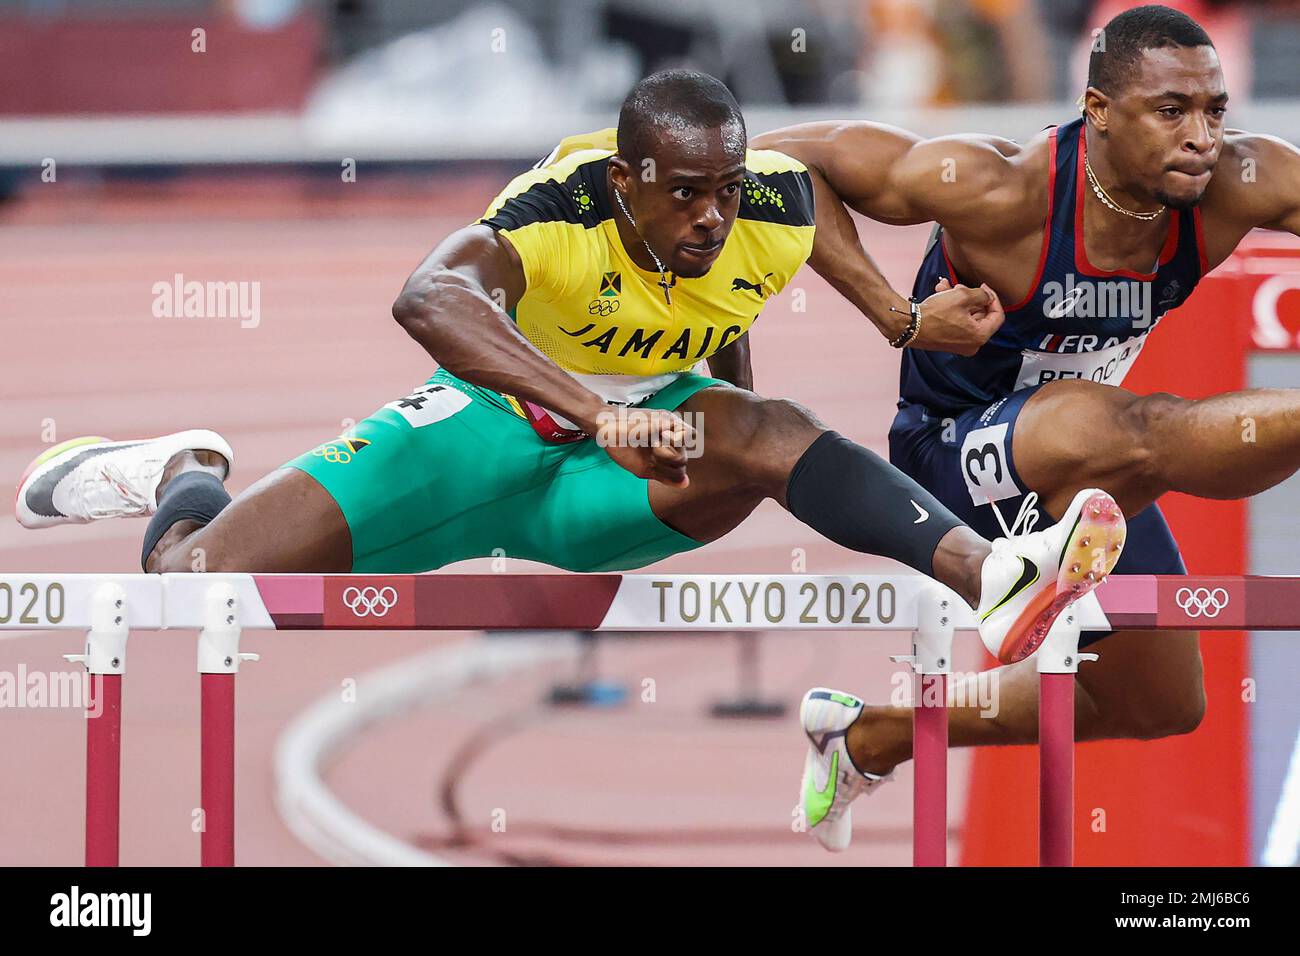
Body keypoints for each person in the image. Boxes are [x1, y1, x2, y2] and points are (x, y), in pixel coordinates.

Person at [16, 71, 1121, 718]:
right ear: (628, 178)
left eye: (725, 193)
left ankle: (993, 573)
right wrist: (601, 413)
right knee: (191, 584)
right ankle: (176, 471)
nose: (710, 221)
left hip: (608, 489)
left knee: (767, 428)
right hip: (475, 437)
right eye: (684, 195)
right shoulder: (558, 209)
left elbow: (808, 190)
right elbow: (428, 293)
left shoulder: (762, 210)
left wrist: (892, 315)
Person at [759, 4, 1300, 849]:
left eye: (1214, 110)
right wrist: (895, 315)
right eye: (1171, 112)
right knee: (1133, 427)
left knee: (1160, 704)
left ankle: (871, 734)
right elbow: (774, 161)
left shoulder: (1241, 180)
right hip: (948, 455)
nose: (1202, 137)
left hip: (1082, 463)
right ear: (1099, 113)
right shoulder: (998, 187)